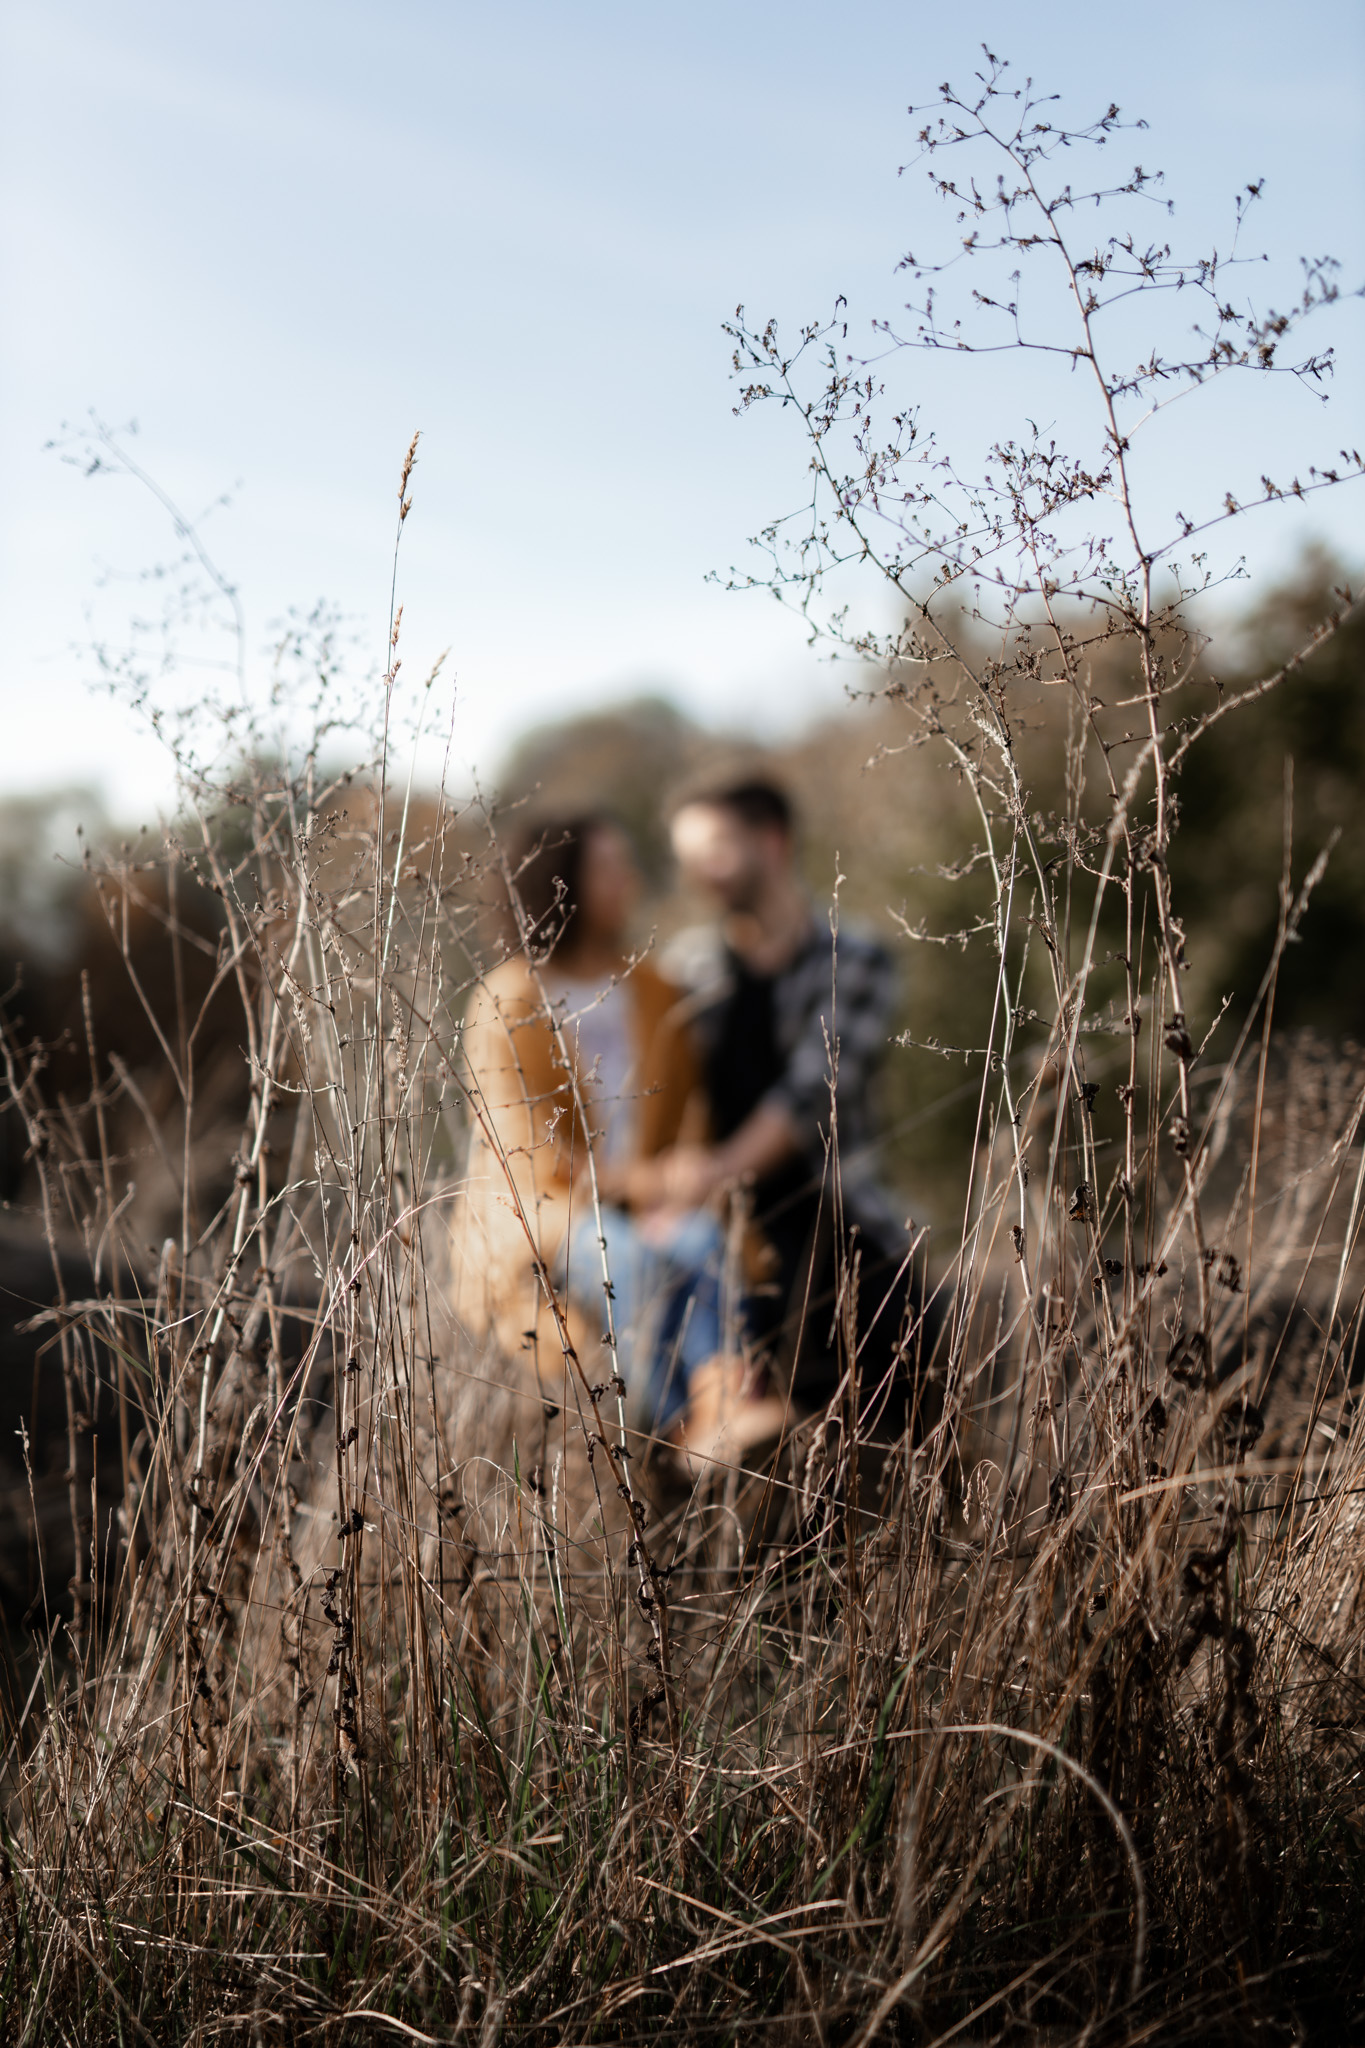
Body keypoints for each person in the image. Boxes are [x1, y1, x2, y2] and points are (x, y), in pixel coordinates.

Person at [453, 814, 786, 1460]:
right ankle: (669, 1437)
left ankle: (722, 1405)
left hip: (653, 1205)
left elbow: (689, 1114)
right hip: (546, 1215)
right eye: (609, 867)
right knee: (626, 1258)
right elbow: (533, 1156)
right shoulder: (509, 1000)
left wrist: (675, 1186)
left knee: (700, 1238)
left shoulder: (653, 987)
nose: (628, 880)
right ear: (561, 882)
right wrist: (649, 1185)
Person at [654, 774, 919, 1427]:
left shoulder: (853, 960)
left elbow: (810, 1094)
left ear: (771, 842)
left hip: (833, 1215)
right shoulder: (686, 969)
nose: (699, 871)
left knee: (895, 1371)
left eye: (713, 848)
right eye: (686, 856)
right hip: (721, 1227)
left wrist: (712, 1174)